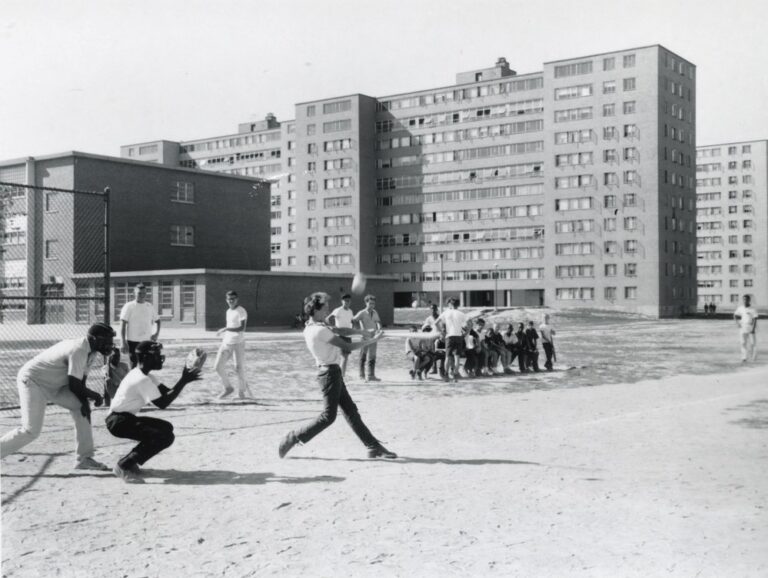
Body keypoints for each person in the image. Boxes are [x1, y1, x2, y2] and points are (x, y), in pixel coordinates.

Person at [278, 292, 397, 459]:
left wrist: (362, 332)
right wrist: (372, 340)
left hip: (333, 372)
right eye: (325, 308)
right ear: (315, 310)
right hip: (329, 374)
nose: (328, 311)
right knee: (328, 417)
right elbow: (346, 347)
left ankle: (373, 446)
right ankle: (294, 437)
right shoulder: (319, 331)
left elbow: (341, 330)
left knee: (351, 411)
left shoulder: (314, 326)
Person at [0, 323, 114, 471]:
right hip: (33, 381)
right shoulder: (78, 349)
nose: (109, 344)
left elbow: (80, 380)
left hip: (55, 384)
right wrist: (95, 396)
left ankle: (84, 459)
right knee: (30, 430)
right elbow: (74, 385)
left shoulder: (91, 351)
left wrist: (85, 402)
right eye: (106, 340)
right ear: (93, 339)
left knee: (82, 409)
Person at [106, 341, 201, 483]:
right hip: (118, 422)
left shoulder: (146, 376)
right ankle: (123, 466)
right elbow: (163, 403)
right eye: (155, 355)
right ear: (145, 357)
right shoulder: (141, 379)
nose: (159, 357)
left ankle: (131, 462)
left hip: (123, 419)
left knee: (166, 428)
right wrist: (183, 380)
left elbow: (167, 393)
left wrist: (184, 378)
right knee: (165, 436)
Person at [214, 290, 251, 399]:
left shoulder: (241, 311)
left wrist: (226, 328)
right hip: (227, 343)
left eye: (233, 298)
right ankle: (228, 388)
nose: (231, 301)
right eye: (229, 299)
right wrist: (226, 332)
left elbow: (242, 328)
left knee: (239, 368)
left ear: (237, 299)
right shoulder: (228, 311)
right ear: (226, 300)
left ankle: (241, 392)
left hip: (239, 343)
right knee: (217, 366)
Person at [120, 282, 160, 368]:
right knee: (134, 366)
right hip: (133, 342)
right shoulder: (129, 306)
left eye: (144, 293)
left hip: (147, 341)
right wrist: (123, 342)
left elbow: (158, 320)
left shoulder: (149, 306)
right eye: (139, 293)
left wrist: (156, 333)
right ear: (134, 293)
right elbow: (122, 324)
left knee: (146, 365)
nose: (142, 295)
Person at [435, 297, 469, 383]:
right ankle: (455, 376)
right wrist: (466, 333)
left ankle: (446, 375)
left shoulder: (446, 313)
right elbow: (470, 323)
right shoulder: (461, 313)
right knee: (457, 358)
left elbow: (436, 323)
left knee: (448, 357)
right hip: (458, 336)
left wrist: (441, 333)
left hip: (449, 336)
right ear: (457, 304)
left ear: (450, 304)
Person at [353, 294, 382, 382]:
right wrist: (360, 330)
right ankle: (361, 376)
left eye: (373, 304)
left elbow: (378, 322)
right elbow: (354, 320)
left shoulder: (375, 312)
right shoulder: (362, 312)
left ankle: (371, 375)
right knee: (363, 356)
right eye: (370, 303)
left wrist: (379, 329)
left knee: (372, 357)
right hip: (364, 338)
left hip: (374, 337)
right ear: (366, 303)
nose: (372, 305)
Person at [327, 293, 355, 376]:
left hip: (348, 336)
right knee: (342, 357)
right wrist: (332, 328)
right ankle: (340, 376)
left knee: (345, 357)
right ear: (342, 301)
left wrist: (352, 329)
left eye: (348, 301)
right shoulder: (338, 310)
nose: (347, 302)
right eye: (345, 301)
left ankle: (342, 375)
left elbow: (352, 321)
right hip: (340, 336)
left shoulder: (350, 311)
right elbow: (328, 319)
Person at [734, 295, 758, 362]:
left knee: (753, 343)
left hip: (750, 327)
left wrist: (753, 329)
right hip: (743, 327)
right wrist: (737, 323)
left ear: (749, 300)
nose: (745, 301)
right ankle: (744, 358)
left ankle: (753, 358)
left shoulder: (753, 309)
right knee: (743, 343)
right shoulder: (740, 308)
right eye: (744, 299)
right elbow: (735, 315)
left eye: (746, 299)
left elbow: (755, 319)